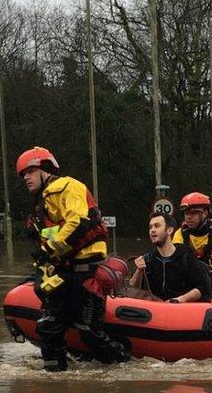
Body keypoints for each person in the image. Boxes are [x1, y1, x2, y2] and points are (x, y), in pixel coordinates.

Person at [16, 146, 129, 371]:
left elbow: (77, 223)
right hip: (64, 272)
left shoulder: (67, 186)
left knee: (88, 332)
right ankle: (55, 380)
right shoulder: (42, 204)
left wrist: (48, 249)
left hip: (86, 272)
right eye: (23, 175)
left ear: (44, 169)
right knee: (48, 327)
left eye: (29, 171)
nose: (26, 178)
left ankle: (125, 366)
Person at [130, 212, 212, 302]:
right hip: (156, 311)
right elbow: (132, 290)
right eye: (150, 227)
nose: (152, 230)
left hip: (182, 311)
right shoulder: (148, 259)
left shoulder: (186, 257)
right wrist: (139, 271)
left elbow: (202, 288)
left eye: (157, 226)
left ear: (169, 230)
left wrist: (180, 300)